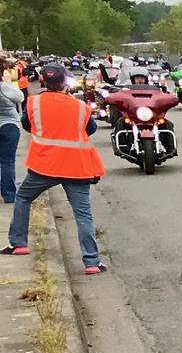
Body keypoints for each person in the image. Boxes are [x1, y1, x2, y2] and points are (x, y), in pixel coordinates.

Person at [6, 63, 105, 273]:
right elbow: (91, 128)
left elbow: (27, 125)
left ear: (43, 81)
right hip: (77, 167)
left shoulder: (33, 103)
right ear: (65, 82)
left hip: (44, 166)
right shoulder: (80, 106)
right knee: (83, 214)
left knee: (23, 198)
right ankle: (92, 262)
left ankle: (19, 243)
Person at [0, 61, 23, 205]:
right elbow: (20, 97)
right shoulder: (4, 88)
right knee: (7, 162)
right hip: (9, 125)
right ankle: (9, 195)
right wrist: (8, 83)